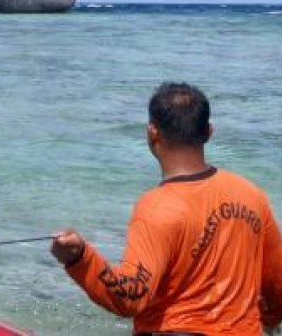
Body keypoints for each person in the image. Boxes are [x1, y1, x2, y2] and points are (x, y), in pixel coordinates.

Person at [50, 82, 282, 335]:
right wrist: (268, 322)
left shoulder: (156, 207)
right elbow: (277, 288)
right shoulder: (252, 195)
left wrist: (79, 258)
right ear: (208, 132)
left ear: (152, 132)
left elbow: (130, 298)